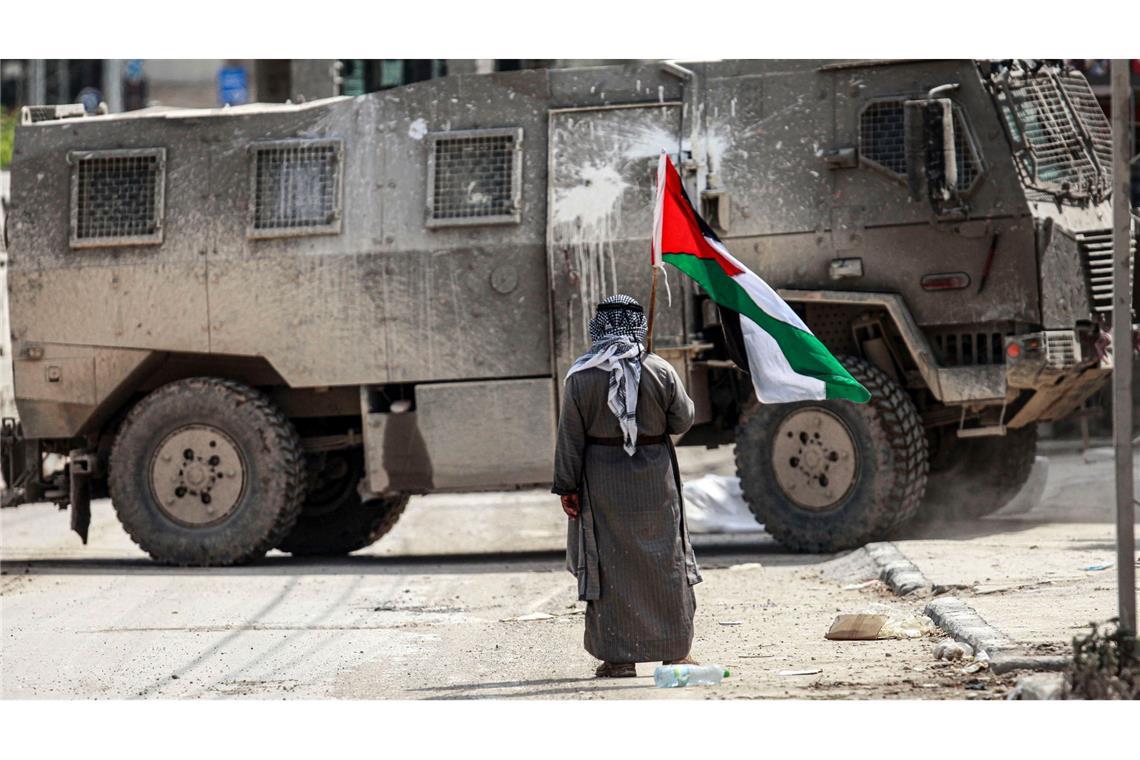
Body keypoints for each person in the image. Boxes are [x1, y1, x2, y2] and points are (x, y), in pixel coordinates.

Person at [552, 294, 701, 678]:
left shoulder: (580, 377)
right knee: (664, 561)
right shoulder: (660, 370)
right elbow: (683, 419)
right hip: (655, 482)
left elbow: (569, 437)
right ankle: (675, 652)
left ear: (597, 328)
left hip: (603, 487)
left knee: (611, 566)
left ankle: (619, 659)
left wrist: (568, 487)